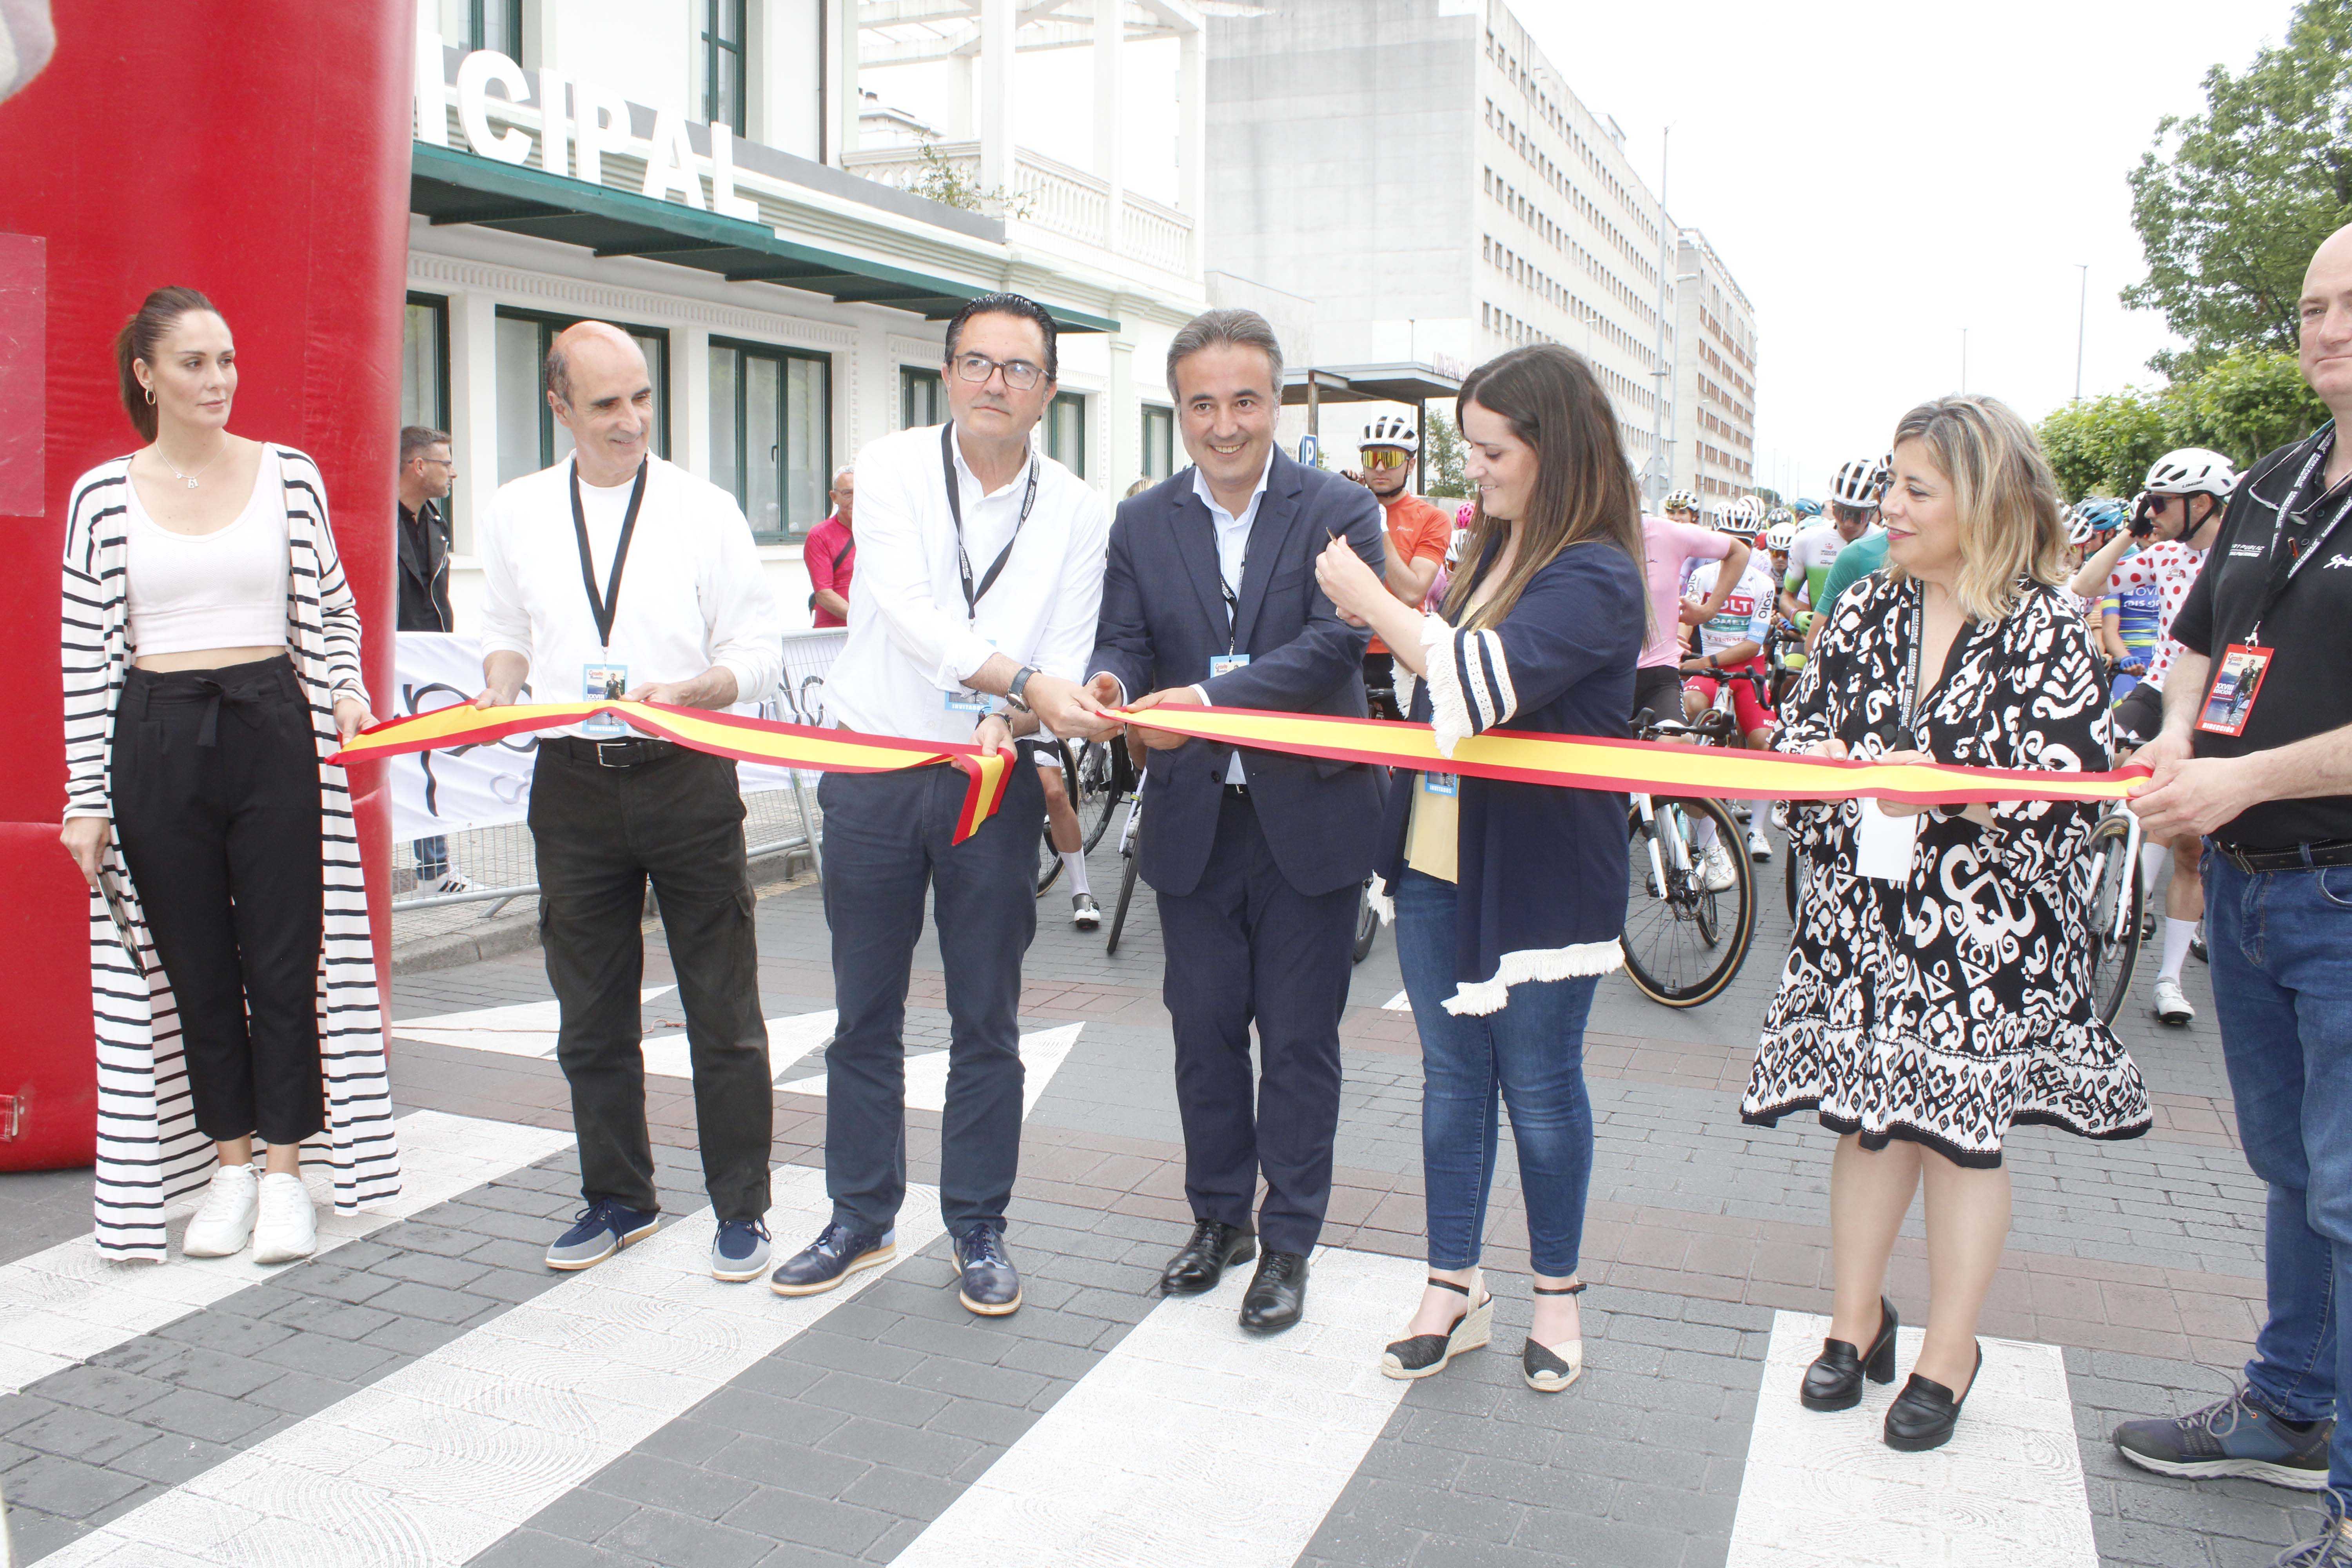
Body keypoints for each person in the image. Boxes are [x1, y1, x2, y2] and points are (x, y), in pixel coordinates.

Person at [1744, 394, 2151, 1453]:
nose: (1894, 505)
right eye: (1894, 483)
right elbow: (1797, 736)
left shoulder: (2049, 624)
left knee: (1961, 1140)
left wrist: (1950, 794)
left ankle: (1948, 1350)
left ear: (1985, 497)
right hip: (1861, 920)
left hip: (1985, 933)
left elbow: (2070, 784)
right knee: (1866, 1119)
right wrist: (1820, 768)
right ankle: (1855, 1324)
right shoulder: (1867, 608)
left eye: (1917, 488)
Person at [1312, 343, 1644, 1393]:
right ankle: (1451, 1287)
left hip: (1541, 872)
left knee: (1541, 1091)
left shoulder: (1595, 571)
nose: (1475, 470)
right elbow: (1436, 695)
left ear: (1554, 449)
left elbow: (1473, 683)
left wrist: (1370, 597)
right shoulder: (1488, 552)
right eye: (1468, 449)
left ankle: (1559, 1295)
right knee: (1453, 1083)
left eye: (1491, 450)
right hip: (1438, 857)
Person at [777, 293, 1114, 1316]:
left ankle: (978, 1226)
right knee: (864, 1011)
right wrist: (1021, 686)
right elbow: (912, 613)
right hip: (879, 767)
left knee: (987, 1016)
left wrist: (1016, 715)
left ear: (1049, 390)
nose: (994, 384)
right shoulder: (887, 470)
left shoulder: (1080, 509)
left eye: (1018, 369)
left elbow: (1070, 640)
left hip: (995, 779)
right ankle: (859, 1214)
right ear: (947, 374)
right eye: (976, 362)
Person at [58, 286, 401, 1263]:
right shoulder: (102, 495)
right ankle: (230, 1164)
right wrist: (87, 795)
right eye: (196, 363)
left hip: (270, 725)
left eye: (229, 360)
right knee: (196, 969)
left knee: (285, 963)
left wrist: (342, 690)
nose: (219, 381)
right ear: (147, 375)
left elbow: (333, 611)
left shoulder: (288, 476)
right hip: (155, 733)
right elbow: (86, 656)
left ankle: (290, 1172)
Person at [2112, 226, 2352, 1558]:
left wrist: (2241, 782)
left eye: (2347, 308)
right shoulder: (2274, 483)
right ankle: (2287, 1405)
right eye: (2313, 307)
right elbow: (2198, 639)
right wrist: (2173, 742)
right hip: (2256, 890)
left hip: (2335, 879)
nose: (2322, 329)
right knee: (2288, 1172)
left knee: (2350, 1189)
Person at [1087, 308, 1386, 1334]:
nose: (1224, 425)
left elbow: (1335, 647)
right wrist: (1112, 681)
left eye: (1244, 401)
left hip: (1308, 822)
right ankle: (1221, 1222)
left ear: (1277, 402)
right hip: (1193, 823)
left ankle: (1290, 1241)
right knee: (1202, 1034)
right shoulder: (1142, 522)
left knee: (1300, 1043)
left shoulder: (1340, 508)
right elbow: (1125, 636)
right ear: (1179, 409)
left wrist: (1209, 703)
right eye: (1202, 404)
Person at [472, 321, 784, 1284]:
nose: (631, 420)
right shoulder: (518, 510)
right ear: (558, 407)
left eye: (642, 397)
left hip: (686, 771)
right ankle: (618, 1197)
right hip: (570, 780)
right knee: (589, 1011)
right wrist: (499, 681)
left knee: (722, 1007)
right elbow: (504, 624)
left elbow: (758, 648)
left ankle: (744, 1208)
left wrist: (698, 690)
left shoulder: (703, 508)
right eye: (606, 403)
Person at [2069, 451, 2238, 1028]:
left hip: (2216, 702)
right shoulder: (2163, 556)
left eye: (2161, 502)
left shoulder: (2241, 557)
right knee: (2102, 763)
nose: (2153, 510)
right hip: (2160, 686)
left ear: (2203, 503)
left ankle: (2168, 979)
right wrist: (2126, 535)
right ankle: (2109, 877)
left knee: (2191, 847)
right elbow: (2082, 589)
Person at [396, 424, 470, 896]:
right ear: (418, 465)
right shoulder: (375, 520)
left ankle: (434, 872)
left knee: (427, 762)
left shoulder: (437, 525)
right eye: (446, 463)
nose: (454, 473)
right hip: (384, 665)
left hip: (428, 665)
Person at [1682, 514, 1781, 864]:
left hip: (1744, 665)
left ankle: (1758, 828)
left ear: (1754, 542)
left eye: (1742, 538)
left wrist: (1701, 664)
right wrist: (1681, 645)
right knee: (1693, 705)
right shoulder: (1701, 576)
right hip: (1709, 660)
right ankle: (1699, 810)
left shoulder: (1763, 583)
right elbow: (1683, 623)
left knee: (1764, 743)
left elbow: (1753, 647)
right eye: (1727, 537)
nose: (1733, 546)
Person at [1347, 414, 1454, 718]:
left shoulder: (1432, 518)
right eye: (1372, 458)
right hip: (1347, 647)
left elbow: (1410, 592)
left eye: (1391, 458)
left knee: (1405, 753)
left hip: (1399, 653)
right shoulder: (1344, 506)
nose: (1380, 468)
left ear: (1411, 464)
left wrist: (1376, 527)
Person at [1783, 457, 1882, 644]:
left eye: (1858, 516)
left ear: (1874, 511)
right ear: (1832, 506)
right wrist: (1796, 616)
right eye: (1841, 512)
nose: (1848, 523)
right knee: (1791, 674)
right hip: (1817, 637)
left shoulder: (1886, 545)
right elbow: (1786, 597)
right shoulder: (1807, 540)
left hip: (1865, 642)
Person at [805, 465, 855, 628]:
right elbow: (824, 594)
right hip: (833, 635)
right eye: (848, 494)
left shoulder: (879, 531)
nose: (856, 500)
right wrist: (861, 620)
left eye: (861, 493)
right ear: (834, 497)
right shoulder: (820, 536)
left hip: (875, 634)